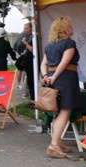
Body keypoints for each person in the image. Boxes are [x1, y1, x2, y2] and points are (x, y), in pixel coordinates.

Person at [40, 16, 81, 158]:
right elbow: (64, 63)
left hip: (52, 78)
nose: (72, 28)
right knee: (65, 111)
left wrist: (46, 76)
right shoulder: (69, 43)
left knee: (58, 111)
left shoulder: (49, 45)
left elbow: (43, 64)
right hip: (65, 78)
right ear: (65, 28)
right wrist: (55, 76)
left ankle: (57, 141)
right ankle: (54, 145)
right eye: (70, 26)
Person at [14, 22, 35, 101]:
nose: (25, 30)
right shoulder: (29, 36)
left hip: (31, 60)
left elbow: (33, 49)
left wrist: (26, 43)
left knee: (29, 79)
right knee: (27, 78)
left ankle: (30, 96)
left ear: (31, 27)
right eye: (24, 29)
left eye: (27, 28)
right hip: (28, 60)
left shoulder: (33, 37)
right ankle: (27, 93)